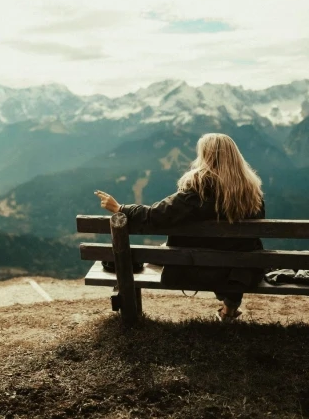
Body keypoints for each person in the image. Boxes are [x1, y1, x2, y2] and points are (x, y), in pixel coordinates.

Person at [94, 133, 266, 322]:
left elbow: (156, 215)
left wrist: (120, 208)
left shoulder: (198, 190)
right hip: (240, 271)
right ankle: (229, 309)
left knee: (156, 255)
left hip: (196, 267)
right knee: (230, 257)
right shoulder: (252, 194)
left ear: (206, 157)